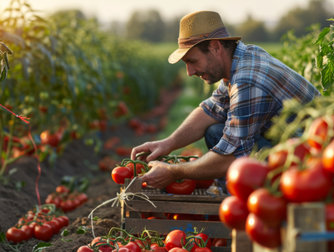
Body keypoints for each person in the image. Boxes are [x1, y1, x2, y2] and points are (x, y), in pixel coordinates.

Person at [130, 11, 320, 191]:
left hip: (311, 167)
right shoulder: (241, 59)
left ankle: (258, 200)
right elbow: (211, 110)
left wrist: (174, 171)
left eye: (192, 61)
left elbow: (231, 155)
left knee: (223, 144)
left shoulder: (247, 80)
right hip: (289, 147)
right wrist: (167, 143)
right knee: (215, 131)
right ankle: (236, 192)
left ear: (215, 47)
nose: (190, 72)